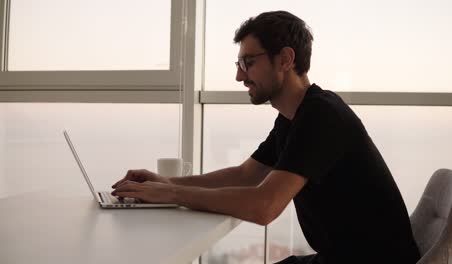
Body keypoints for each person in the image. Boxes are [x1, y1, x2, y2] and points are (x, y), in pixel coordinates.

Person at [112, 11, 421, 264]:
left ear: (285, 60)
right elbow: (246, 175)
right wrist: (164, 183)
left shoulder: (322, 116)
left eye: (249, 62)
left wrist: (172, 196)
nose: (239, 76)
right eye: (239, 64)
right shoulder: (295, 116)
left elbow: (264, 206)